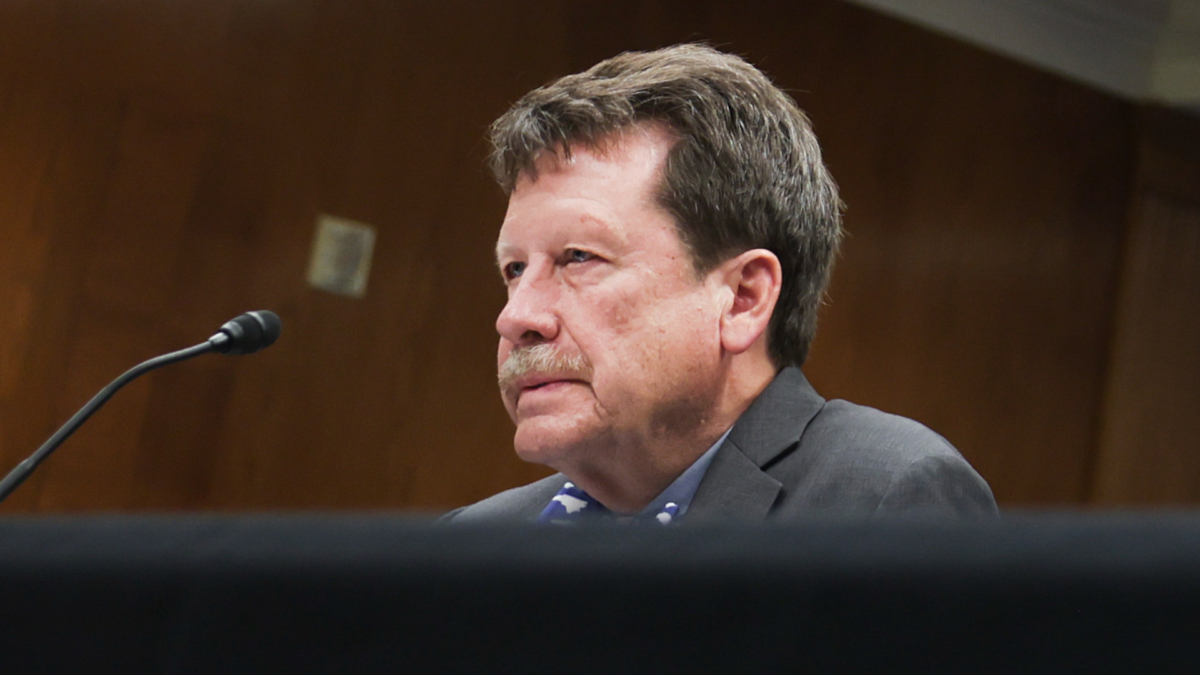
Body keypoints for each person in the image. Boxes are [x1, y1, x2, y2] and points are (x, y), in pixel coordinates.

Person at [446, 44, 996, 524]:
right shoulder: (466, 544)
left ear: (742, 298)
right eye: (514, 269)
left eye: (578, 257)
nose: (515, 317)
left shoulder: (885, 497)